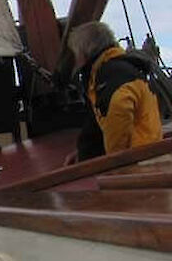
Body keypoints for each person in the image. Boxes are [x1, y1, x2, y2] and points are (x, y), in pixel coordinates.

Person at [66, 21, 162, 163]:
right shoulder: (112, 71)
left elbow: (119, 106)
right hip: (146, 153)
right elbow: (101, 119)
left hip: (138, 162)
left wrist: (114, 161)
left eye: (75, 53)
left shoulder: (112, 75)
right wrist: (84, 152)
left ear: (84, 51)